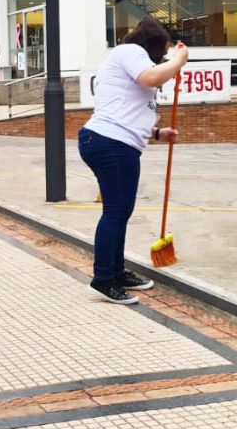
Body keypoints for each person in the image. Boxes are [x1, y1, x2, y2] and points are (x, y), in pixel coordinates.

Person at [79, 18, 188, 305]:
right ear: (152, 44)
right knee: (115, 213)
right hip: (111, 143)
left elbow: (127, 109)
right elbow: (151, 78)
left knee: (119, 212)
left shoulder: (130, 61)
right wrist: (178, 60)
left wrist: (156, 133)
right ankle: (103, 279)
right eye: (162, 52)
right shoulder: (130, 52)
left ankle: (115, 272)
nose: (162, 58)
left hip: (114, 142)